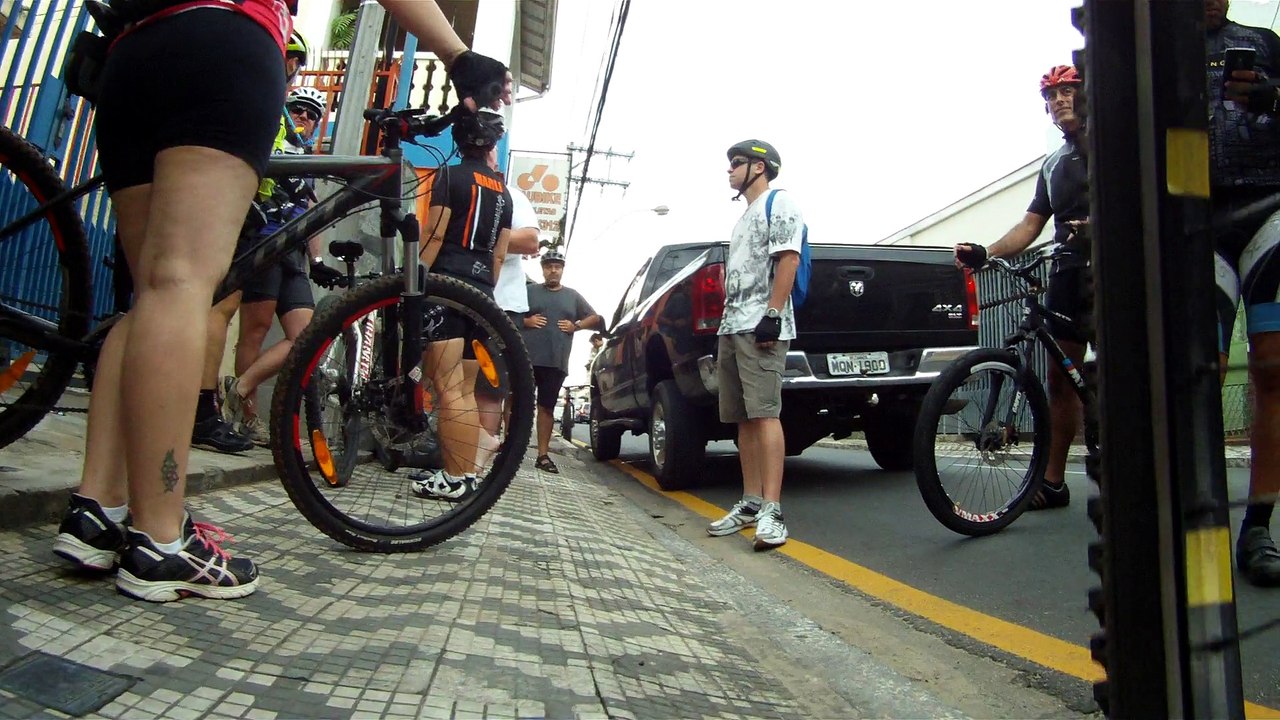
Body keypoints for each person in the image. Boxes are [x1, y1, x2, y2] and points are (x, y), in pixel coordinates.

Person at [50, 0, 513, 602]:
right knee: (181, 285)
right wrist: (459, 56)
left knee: (151, 296)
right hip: (225, 34)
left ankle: (98, 507)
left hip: (133, 47)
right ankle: (160, 541)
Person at [952, 65, 1090, 513]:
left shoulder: (1117, 145)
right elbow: (1031, 225)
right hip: (1068, 272)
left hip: (1119, 270)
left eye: (1069, 91)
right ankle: (1052, 483)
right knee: (1058, 380)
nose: (1060, 101)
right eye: (1052, 96)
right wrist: (985, 253)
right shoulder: (1053, 165)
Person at [1206, 0, 1280, 587]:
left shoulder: (1262, 40)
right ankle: (1196, 519)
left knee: (1272, 366)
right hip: (1195, 219)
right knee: (1195, 370)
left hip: (1268, 210)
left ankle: (1258, 525)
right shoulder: (1159, 55)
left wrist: (1269, 96)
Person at [222, 85, 340, 445]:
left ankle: (239, 387)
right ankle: (248, 418)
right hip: (264, 244)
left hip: (294, 255)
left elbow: (309, 211)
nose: (304, 117)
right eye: (299, 110)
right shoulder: (269, 141)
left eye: (312, 114)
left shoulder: (306, 157)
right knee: (254, 333)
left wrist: (317, 259)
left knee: (305, 337)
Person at [408, 110, 513, 500]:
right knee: (465, 389)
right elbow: (499, 256)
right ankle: (465, 475)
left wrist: (414, 285)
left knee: (447, 387)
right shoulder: (504, 192)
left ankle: (453, 478)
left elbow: (433, 236)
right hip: (482, 295)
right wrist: (482, 289)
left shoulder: (449, 176)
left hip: (445, 288)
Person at [705, 139, 802, 551]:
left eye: (737, 163)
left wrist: (773, 315)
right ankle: (750, 502)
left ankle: (773, 510)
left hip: (762, 325)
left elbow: (789, 259)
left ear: (759, 168)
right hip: (733, 326)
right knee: (742, 418)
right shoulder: (743, 217)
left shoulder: (778, 204)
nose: (729, 170)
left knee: (764, 415)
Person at [475, 149, 540, 467]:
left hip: (501, 306)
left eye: (487, 154)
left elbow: (530, 241)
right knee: (452, 381)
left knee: (489, 388)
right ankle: (455, 457)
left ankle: (478, 465)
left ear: (495, 163)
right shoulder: (457, 188)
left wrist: (484, 235)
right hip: (457, 297)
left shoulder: (511, 195)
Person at [521, 250, 602, 474]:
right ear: (543, 269)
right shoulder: (529, 291)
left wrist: (577, 325)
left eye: (557, 266)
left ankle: (542, 455)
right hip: (526, 358)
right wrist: (526, 321)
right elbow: (509, 313)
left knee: (546, 407)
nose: (553, 270)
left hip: (555, 362)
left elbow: (595, 317)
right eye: (549, 266)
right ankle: (509, 447)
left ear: (562, 269)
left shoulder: (572, 296)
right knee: (518, 402)